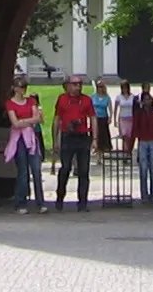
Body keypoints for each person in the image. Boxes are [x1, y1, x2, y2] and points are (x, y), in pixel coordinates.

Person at [52, 73, 96, 210]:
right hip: (67, 136)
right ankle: (60, 197)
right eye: (75, 84)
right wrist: (55, 140)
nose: (78, 87)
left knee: (84, 170)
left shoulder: (86, 100)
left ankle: (82, 202)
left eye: (80, 84)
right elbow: (57, 119)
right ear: (68, 86)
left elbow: (93, 118)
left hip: (83, 137)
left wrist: (94, 138)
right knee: (65, 168)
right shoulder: (62, 99)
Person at [4, 78, 45, 214]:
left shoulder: (31, 101)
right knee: (23, 172)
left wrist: (23, 121)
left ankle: (41, 202)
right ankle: (20, 202)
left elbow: (37, 119)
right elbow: (14, 123)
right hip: (19, 139)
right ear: (15, 88)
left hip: (31, 138)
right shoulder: (10, 104)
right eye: (21, 87)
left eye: (25, 87)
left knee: (36, 170)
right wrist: (28, 121)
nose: (23, 90)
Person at [132, 83, 153, 201]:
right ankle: (144, 195)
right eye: (145, 99)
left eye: (149, 99)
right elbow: (135, 128)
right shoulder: (139, 113)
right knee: (143, 169)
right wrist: (130, 146)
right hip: (143, 142)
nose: (147, 101)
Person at [93, 80, 112, 153]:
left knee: (103, 135)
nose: (100, 89)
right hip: (95, 118)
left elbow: (110, 108)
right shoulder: (93, 96)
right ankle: (96, 148)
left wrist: (110, 117)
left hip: (103, 118)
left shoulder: (107, 97)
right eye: (98, 87)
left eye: (101, 87)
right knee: (96, 133)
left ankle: (103, 148)